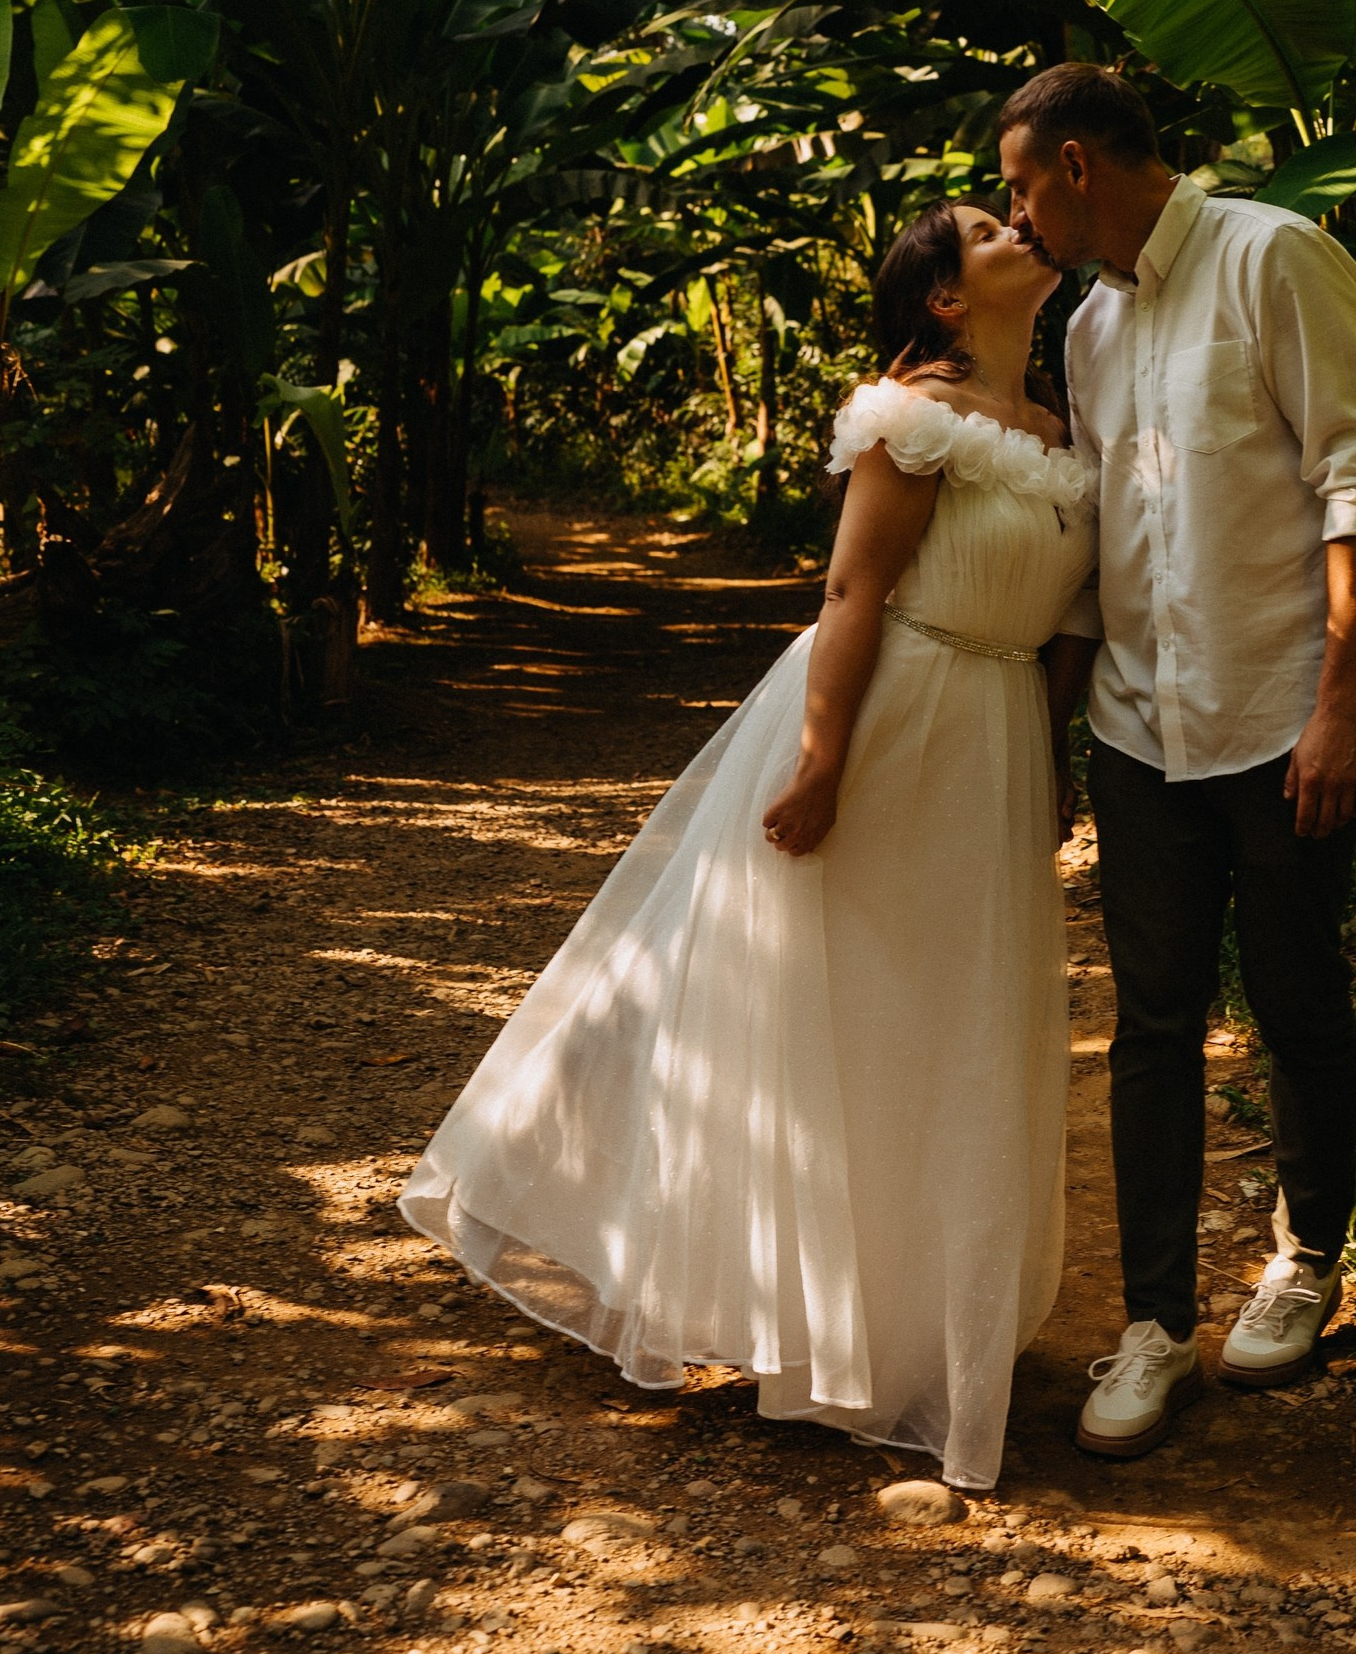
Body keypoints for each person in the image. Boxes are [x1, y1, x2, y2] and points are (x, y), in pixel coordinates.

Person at [400, 203, 1096, 1493]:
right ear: (945, 298)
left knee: (954, 1021)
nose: (1022, 229)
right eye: (989, 228)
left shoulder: (1064, 426)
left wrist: (1051, 761)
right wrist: (823, 758)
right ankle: (804, 1322)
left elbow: (1068, 632)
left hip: (994, 745)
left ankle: (913, 1325)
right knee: (843, 1007)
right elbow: (851, 591)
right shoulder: (909, 416)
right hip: (894, 718)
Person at [999, 64, 1356, 1458]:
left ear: (1071, 164)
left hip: (1280, 717)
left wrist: (1342, 704)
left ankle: (1302, 1262)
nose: (1015, 217)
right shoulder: (1087, 324)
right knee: (1154, 1023)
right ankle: (1155, 1324)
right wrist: (1053, 734)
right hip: (1136, 726)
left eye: (1016, 187)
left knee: (1299, 1000)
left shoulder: (1273, 254)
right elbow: (1096, 540)